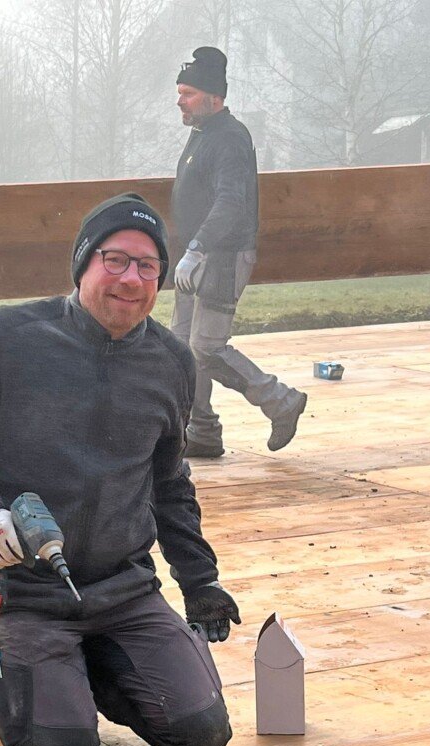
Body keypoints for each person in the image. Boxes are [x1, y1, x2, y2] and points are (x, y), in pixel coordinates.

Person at [0, 193, 240, 746]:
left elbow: (169, 485)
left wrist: (200, 581)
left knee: (202, 736)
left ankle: (89, 669)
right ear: (83, 263)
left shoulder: (170, 362)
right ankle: (9, 667)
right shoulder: (6, 338)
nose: (131, 279)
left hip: (123, 592)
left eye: (148, 266)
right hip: (22, 593)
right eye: (115, 259)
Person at [171, 46, 308, 457]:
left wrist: (198, 248)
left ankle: (281, 401)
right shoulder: (202, 133)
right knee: (182, 347)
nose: (180, 101)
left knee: (206, 347)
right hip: (196, 257)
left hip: (222, 258)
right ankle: (202, 430)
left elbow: (231, 202)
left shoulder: (229, 138)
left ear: (214, 98)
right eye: (179, 93)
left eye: (188, 94)